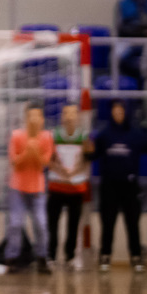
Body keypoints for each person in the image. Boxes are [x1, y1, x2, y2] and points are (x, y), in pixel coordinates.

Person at [92, 100, 147, 272]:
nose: (118, 114)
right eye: (115, 111)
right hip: (109, 186)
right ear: (111, 113)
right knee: (108, 223)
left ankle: (136, 257)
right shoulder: (104, 135)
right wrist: (87, 150)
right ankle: (105, 256)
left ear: (125, 113)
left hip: (130, 186)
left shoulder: (135, 134)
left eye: (121, 111)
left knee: (132, 223)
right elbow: (93, 155)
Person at [5, 102, 54, 273]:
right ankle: (12, 258)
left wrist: (36, 152)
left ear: (42, 119)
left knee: (41, 223)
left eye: (36, 116)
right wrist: (27, 152)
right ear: (25, 118)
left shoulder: (47, 137)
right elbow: (14, 163)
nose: (33, 120)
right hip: (17, 187)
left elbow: (44, 164)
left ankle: (42, 257)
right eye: (30, 116)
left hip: (37, 189)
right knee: (15, 223)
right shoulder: (16, 136)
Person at [47, 103, 89, 272]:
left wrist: (75, 171)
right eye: (66, 113)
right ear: (62, 117)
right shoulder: (53, 135)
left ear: (78, 117)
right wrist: (60, 170)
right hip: (56, 186)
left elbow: (87, 159)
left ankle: (70, 256)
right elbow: (49, 159)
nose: (69, 117)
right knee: (52, 223)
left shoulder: (84, 136)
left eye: (73, 113)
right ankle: (51, 255)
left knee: (73, 224)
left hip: (76, 187)